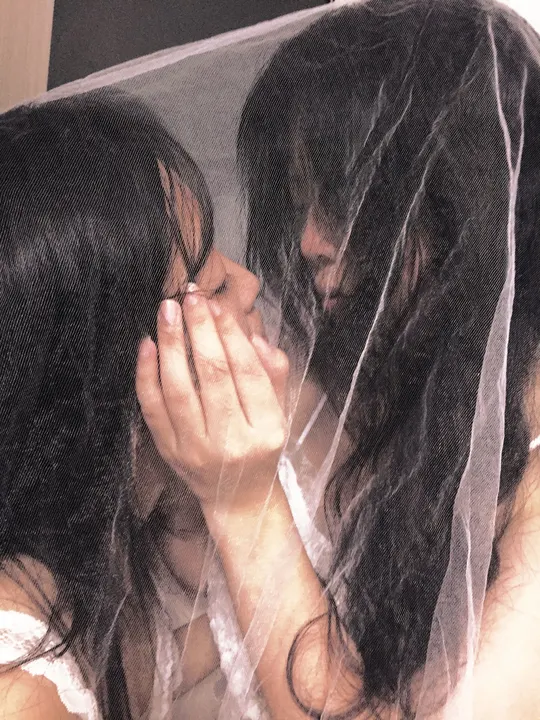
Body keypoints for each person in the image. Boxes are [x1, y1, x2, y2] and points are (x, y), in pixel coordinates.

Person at [139, 1, 540, 718]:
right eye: (299, 202)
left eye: (345, 200)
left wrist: (245, 502)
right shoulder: (407, 396)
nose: (308, 243)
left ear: (462, 199)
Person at [0, 89, 286, 720]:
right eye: (209, 285)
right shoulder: (19, 694)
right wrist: (247, 505)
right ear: (101, 374)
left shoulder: (86, 567)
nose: (249, 283)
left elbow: (154, 669)